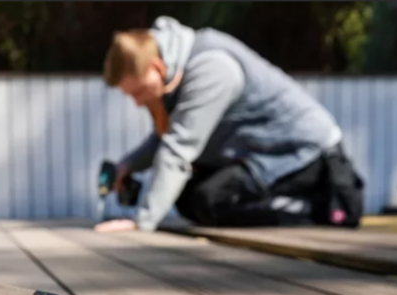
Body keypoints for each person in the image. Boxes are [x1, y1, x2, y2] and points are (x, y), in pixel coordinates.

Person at [94, 16, 364, 233]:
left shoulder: (210, 69)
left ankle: (318, 207)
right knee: (188, 197)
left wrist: (142, 223)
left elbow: (178, 148)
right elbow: (164, 139)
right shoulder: (177, 70)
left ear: (157, 68)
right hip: (258, 153)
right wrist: (126, 166)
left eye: (138, 92)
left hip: (302, 152)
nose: (138, 103)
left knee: (209, 200)